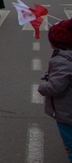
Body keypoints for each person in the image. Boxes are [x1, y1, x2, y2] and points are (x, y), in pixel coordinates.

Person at [39, 20, 72, 162]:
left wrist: (42, 86)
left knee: (70, 144)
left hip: (67, 114)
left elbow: (55, 87)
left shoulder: (62, 61)